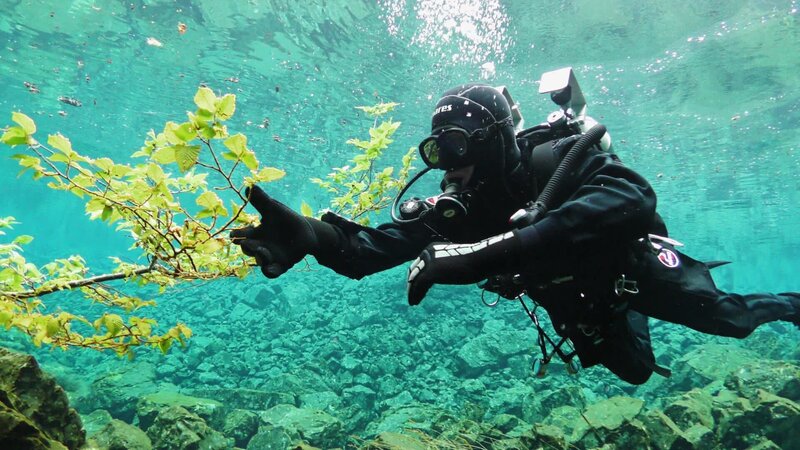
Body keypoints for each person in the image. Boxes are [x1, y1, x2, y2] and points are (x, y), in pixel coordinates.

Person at [230, 82, 800, 385]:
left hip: (633, 271)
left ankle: (793, 304)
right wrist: (310, 236)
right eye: (435, 150)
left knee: (730, 319)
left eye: (453, 146)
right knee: (634, 373)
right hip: (572, 300)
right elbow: (370, 251)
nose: (443, 165)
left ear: (491, 142)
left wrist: (488, 253)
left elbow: (632, 198)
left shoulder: (552, 161)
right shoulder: (460, 205)